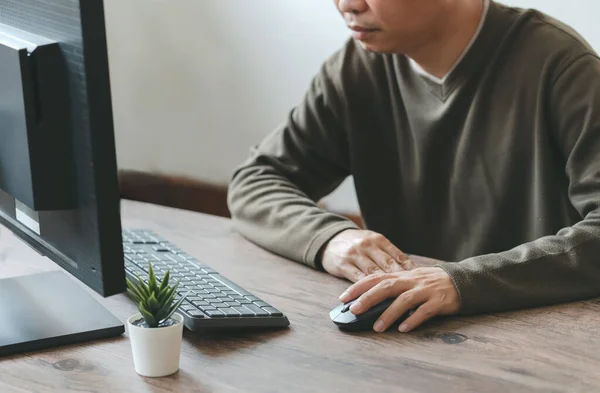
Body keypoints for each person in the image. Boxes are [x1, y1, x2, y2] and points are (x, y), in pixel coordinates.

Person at [227, 0, 600, 333]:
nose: (347, 5)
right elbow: (257, 180)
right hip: (402, 331)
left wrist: (460, 283)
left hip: (540, 332)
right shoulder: (357, 67)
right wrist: (330, 239)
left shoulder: (563, 67)